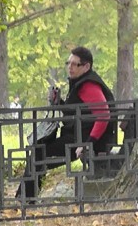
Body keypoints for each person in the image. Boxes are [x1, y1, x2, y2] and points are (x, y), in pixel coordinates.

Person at [16, 46, 116, 200]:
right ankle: (25, 199)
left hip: (82, 141)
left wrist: (87, 144)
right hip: (76, 137)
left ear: (87, 66)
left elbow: (103, 115)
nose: (70, 67)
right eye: (68, 63)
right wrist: (59, 103)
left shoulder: (89, 85)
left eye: (75, 64)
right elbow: (77, 112)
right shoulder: (80, 83)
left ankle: (24, 200)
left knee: (38, 155)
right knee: (38, 154)